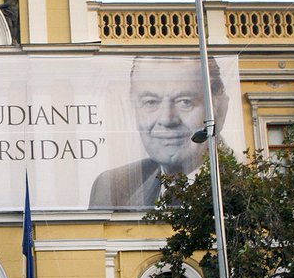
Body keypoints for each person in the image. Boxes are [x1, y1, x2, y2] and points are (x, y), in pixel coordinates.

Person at [90, 55, 230, 208]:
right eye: (150, 102)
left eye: (185, 102)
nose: (167, 119)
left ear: (220, 110)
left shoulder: (244, 186)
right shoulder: (112, 187)